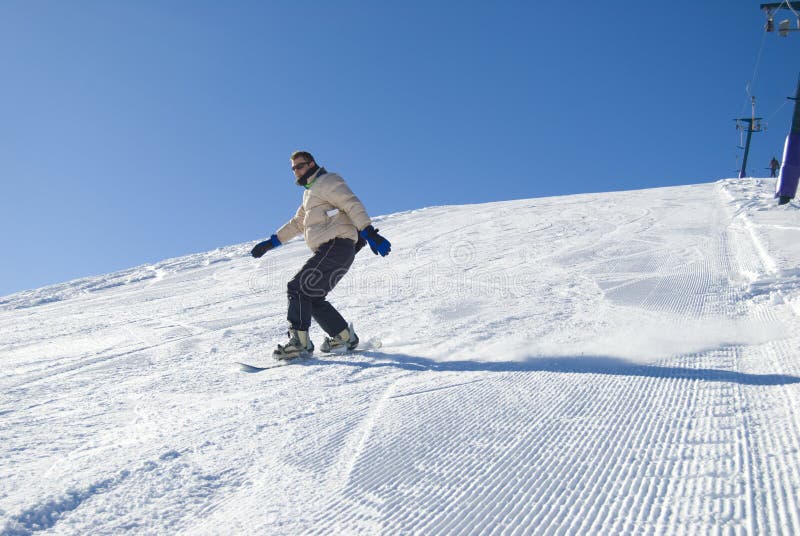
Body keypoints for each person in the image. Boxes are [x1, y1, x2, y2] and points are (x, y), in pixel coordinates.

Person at [250, 151, 391, 359]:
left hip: (337, 245)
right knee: (312, 296)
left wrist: (369, 233)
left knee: (297, 287)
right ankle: (343, 337)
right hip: (331, 250)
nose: (296, 171)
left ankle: (300, 343)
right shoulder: (309, 194)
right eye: (293, 168)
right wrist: (271, 242)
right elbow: (297, 223)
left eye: (299, 166)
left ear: (311, 164)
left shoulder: (327, 181)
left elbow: (351, 203)